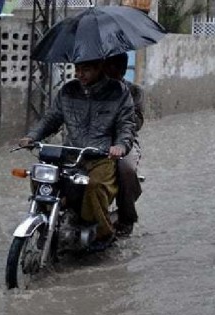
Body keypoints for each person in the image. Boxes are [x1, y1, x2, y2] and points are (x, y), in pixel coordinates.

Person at [18, 59, 135, 251]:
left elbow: (126, 125)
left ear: (99, 69)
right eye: (77, 69)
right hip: (70, 154)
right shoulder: (68, 91)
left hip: (100, 156)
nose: (79, 74)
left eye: (86, 70)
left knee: (94, 186)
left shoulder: (119, 92)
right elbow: (52, 118)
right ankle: (46, 223)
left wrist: (120, 145)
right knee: (42, 177)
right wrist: (32, 136)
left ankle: (102, 232)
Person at [103, 53, 144, 237]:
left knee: (125, 168)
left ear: (121, 69)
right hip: (94, 141)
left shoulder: (134, 91)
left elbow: (136, 122)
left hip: (125, 142)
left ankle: (127, 217)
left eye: (114, 68)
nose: (110, 72)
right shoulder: (94, 89)